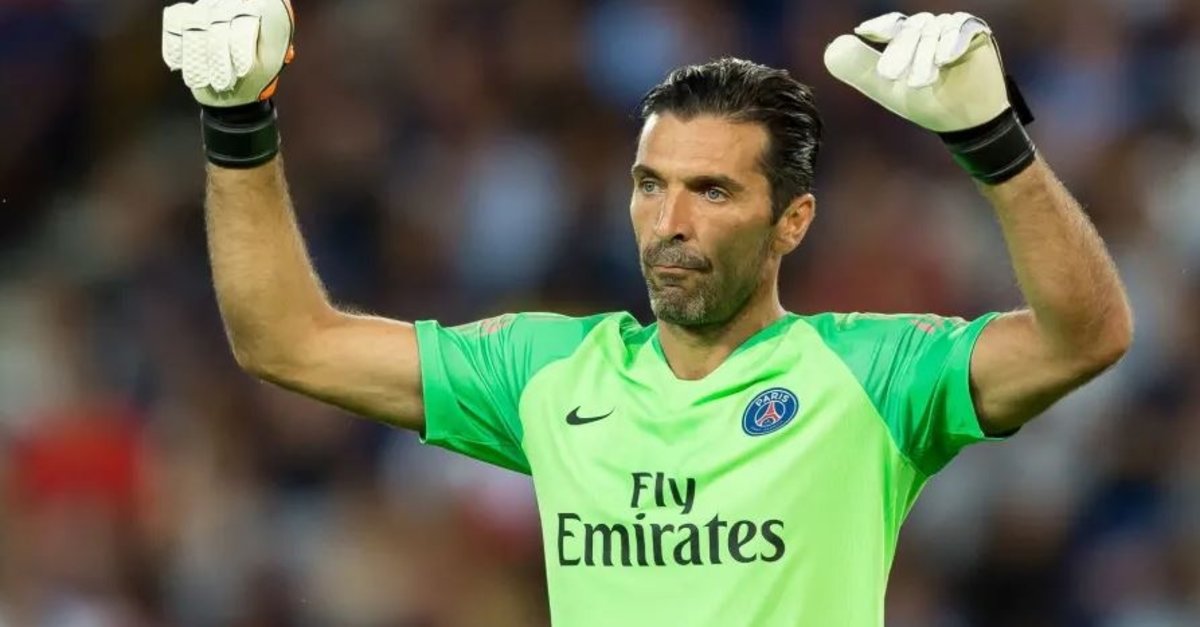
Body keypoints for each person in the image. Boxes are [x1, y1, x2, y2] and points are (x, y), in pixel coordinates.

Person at [162, 4, 1132, 625]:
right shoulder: (548, 373)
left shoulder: (869, 375)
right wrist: (239, 119)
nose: (669, 222)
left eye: (713, 191)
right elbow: (288, 341)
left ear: (792, 220)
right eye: (649, 184)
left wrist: (993, 141)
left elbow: (1085, 338)